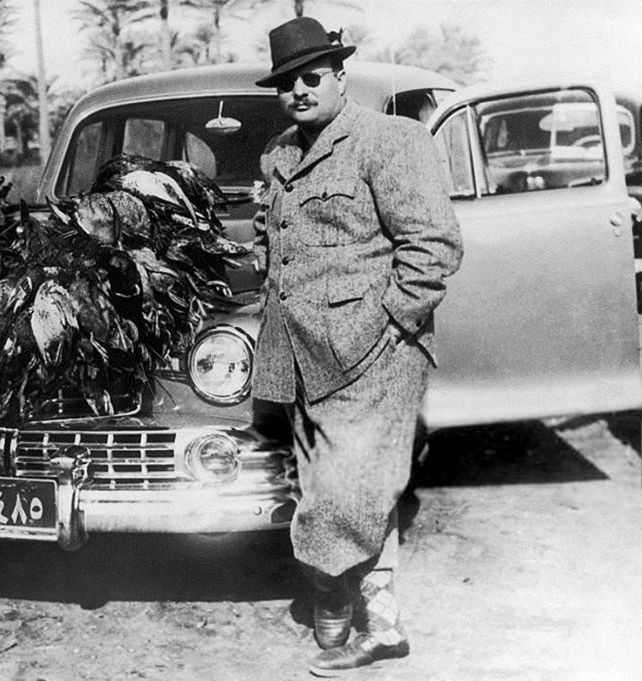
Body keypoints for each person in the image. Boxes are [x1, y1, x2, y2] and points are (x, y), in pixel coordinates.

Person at [251, 16, 464, 674]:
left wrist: (387, 326)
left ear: (341, 77)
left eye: (312, 76)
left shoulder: (389, 140)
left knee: (349, 490)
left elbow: (433, 247)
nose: (299, 90)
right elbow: (275, 240)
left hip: (375, 356)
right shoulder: (278, 154)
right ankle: (354, 602)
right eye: (286, 82)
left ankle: (351, 602)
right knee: (337, 484)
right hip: (302, 355)